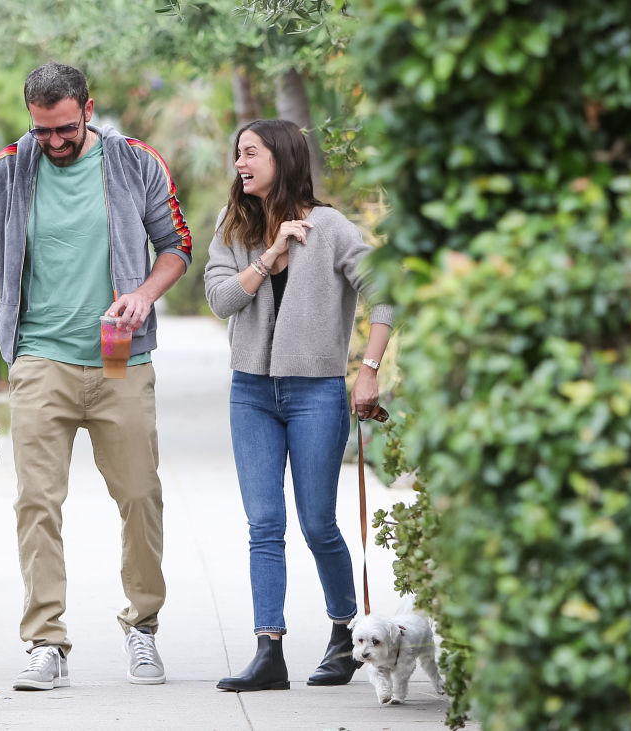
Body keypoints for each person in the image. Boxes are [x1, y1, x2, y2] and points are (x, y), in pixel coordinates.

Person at [0, 62, 192, 691]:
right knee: (36, 502)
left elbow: (177, 245)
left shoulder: (136, 163)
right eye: (42, 131)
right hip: (38, 358)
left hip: (121, 360)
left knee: (140, 496)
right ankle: (46, 642)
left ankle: (143, 628)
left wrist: (144, 293)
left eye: (64, 128)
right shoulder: (4, 172)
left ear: (88, 108)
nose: (54, 142)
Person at [203, 119, 392, 692]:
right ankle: (269, 652)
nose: (241, 162)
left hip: (316, 393)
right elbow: (219, 299)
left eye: (251, 152)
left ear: (282, 158)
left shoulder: (331, 226)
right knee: (264, 524)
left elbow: (385, 291)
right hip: (252, 392)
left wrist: (369, 370)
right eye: (238, 153)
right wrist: (270, 255)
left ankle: (343, 636)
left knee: (317, 523)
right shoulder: (234, 226)